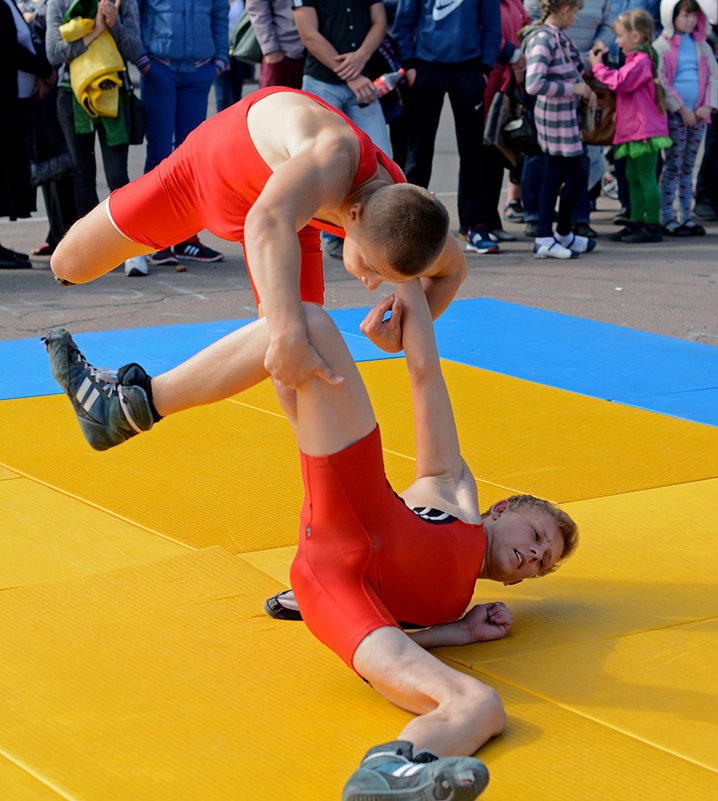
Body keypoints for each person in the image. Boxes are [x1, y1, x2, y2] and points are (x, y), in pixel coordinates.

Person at [43, 275, 578, 801]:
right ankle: (132, 405)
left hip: (337, 589)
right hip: (354, 515)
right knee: (305, 326)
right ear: (501, 508)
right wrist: (407, 276)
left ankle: (388, 775)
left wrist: (459, 633)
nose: (534, 555)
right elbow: (424, 375)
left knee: (483, 706)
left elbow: (378, 660)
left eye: (541, 563)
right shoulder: (450, 489)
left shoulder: (458, 609)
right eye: (537, 537)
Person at [49, 86, 467, 391]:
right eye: (374, 269)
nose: (372, 283)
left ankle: (134, 403)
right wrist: (284, 336)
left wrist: (409, 327)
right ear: (353, 216)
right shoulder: (330, 155)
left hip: (290, 217)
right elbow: (263, 222)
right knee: (69, 266)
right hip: (204, 175)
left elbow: (454, 268)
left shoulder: (404, 213)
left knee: (306, 359)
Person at [393, 0, 502, 255]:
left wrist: (485, 67)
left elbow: (492, 27)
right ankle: (410, 223)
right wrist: (409, 65)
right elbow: (404, 23)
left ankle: (475, 225)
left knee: (473, 151)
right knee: (418, 151)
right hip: (425, 68)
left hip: (469, 68)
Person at [130, 0, 230, 273]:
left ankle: (187, 238)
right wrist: (142, 61)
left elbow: (220, 15)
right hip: (159, 69)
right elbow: (133, 16)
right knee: (160, 157)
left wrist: (220, 61)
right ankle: (156, 239)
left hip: (199, 72)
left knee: (192, 160)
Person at [292, 0, 391, 261]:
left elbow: (379, 23)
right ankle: (332, 236)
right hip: (323, 84)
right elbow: (309, 35)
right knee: (326, 164)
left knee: (381, 158)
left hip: (362, 82)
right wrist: (350, 74)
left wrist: (361, 56)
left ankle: (374, 233)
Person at [46, 0, 141, 270]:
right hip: (72, 95)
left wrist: (114, 24)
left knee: (117, 177)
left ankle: (131, 249)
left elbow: (134, 49)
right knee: (83, 177)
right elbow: (53, 53)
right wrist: (94, 32)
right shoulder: (59, 2)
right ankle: (93, 253)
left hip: (114, 93)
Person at [523, 0, 612, 239]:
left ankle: (556, 234)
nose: (574, 19)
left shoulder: (555, 35)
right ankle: (552, 233)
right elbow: (534, 84)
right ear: (565, 10)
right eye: (574, 13)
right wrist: (574, 89)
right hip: (555, 117)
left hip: (563, 115)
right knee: (573, 173)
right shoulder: (544, 38)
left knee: (556, 174)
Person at [590, 9, 671, 242]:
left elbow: (619, 81)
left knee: (645, 177)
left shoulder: (642, 61)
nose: (616, 41)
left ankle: (652, 225)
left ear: (635, 36)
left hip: (644, 131)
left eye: (620, 36)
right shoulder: (637, 59)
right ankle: (636, 221)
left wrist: (597, 66)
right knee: (632, 176)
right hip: (633, 130)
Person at [654, 0, 718, 235]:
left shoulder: (702, 45)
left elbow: (714, 76)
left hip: (699, 116)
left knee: (688, 167)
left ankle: (685, 217)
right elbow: (661, 79)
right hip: (676, 117)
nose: (690, 20)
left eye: (694, 16)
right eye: (685, 15)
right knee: (673, 166)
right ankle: (666, 217)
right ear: (671, 16)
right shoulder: (662, 46)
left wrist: (708, 105)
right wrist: (681, 108)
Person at [0, 0, 55, 269]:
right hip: (4, 102)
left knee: (6, 175)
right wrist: (45, 71)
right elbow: (9, 49)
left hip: (14, 103)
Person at [483, 0, 531, 243]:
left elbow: (526, 29)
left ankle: (492, 221)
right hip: (490, 82)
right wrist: (514, 55)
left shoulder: (515, 4)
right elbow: (484, 31)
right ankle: (479, 221)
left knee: (498, 154)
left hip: (509, 84)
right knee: (483, 154)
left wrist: (521, 58)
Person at [246, 0, 306, 89]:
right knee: (274, 100)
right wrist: (270, 49)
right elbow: (256, 7)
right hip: (283, 50)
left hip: (318, 53)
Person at [213, 0, 254, 112]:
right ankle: (221, 126)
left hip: (238, 51)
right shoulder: (215, 3)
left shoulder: (243, 2)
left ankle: (234, 125)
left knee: (236, 94)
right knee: (222, 96)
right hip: (220, 52)